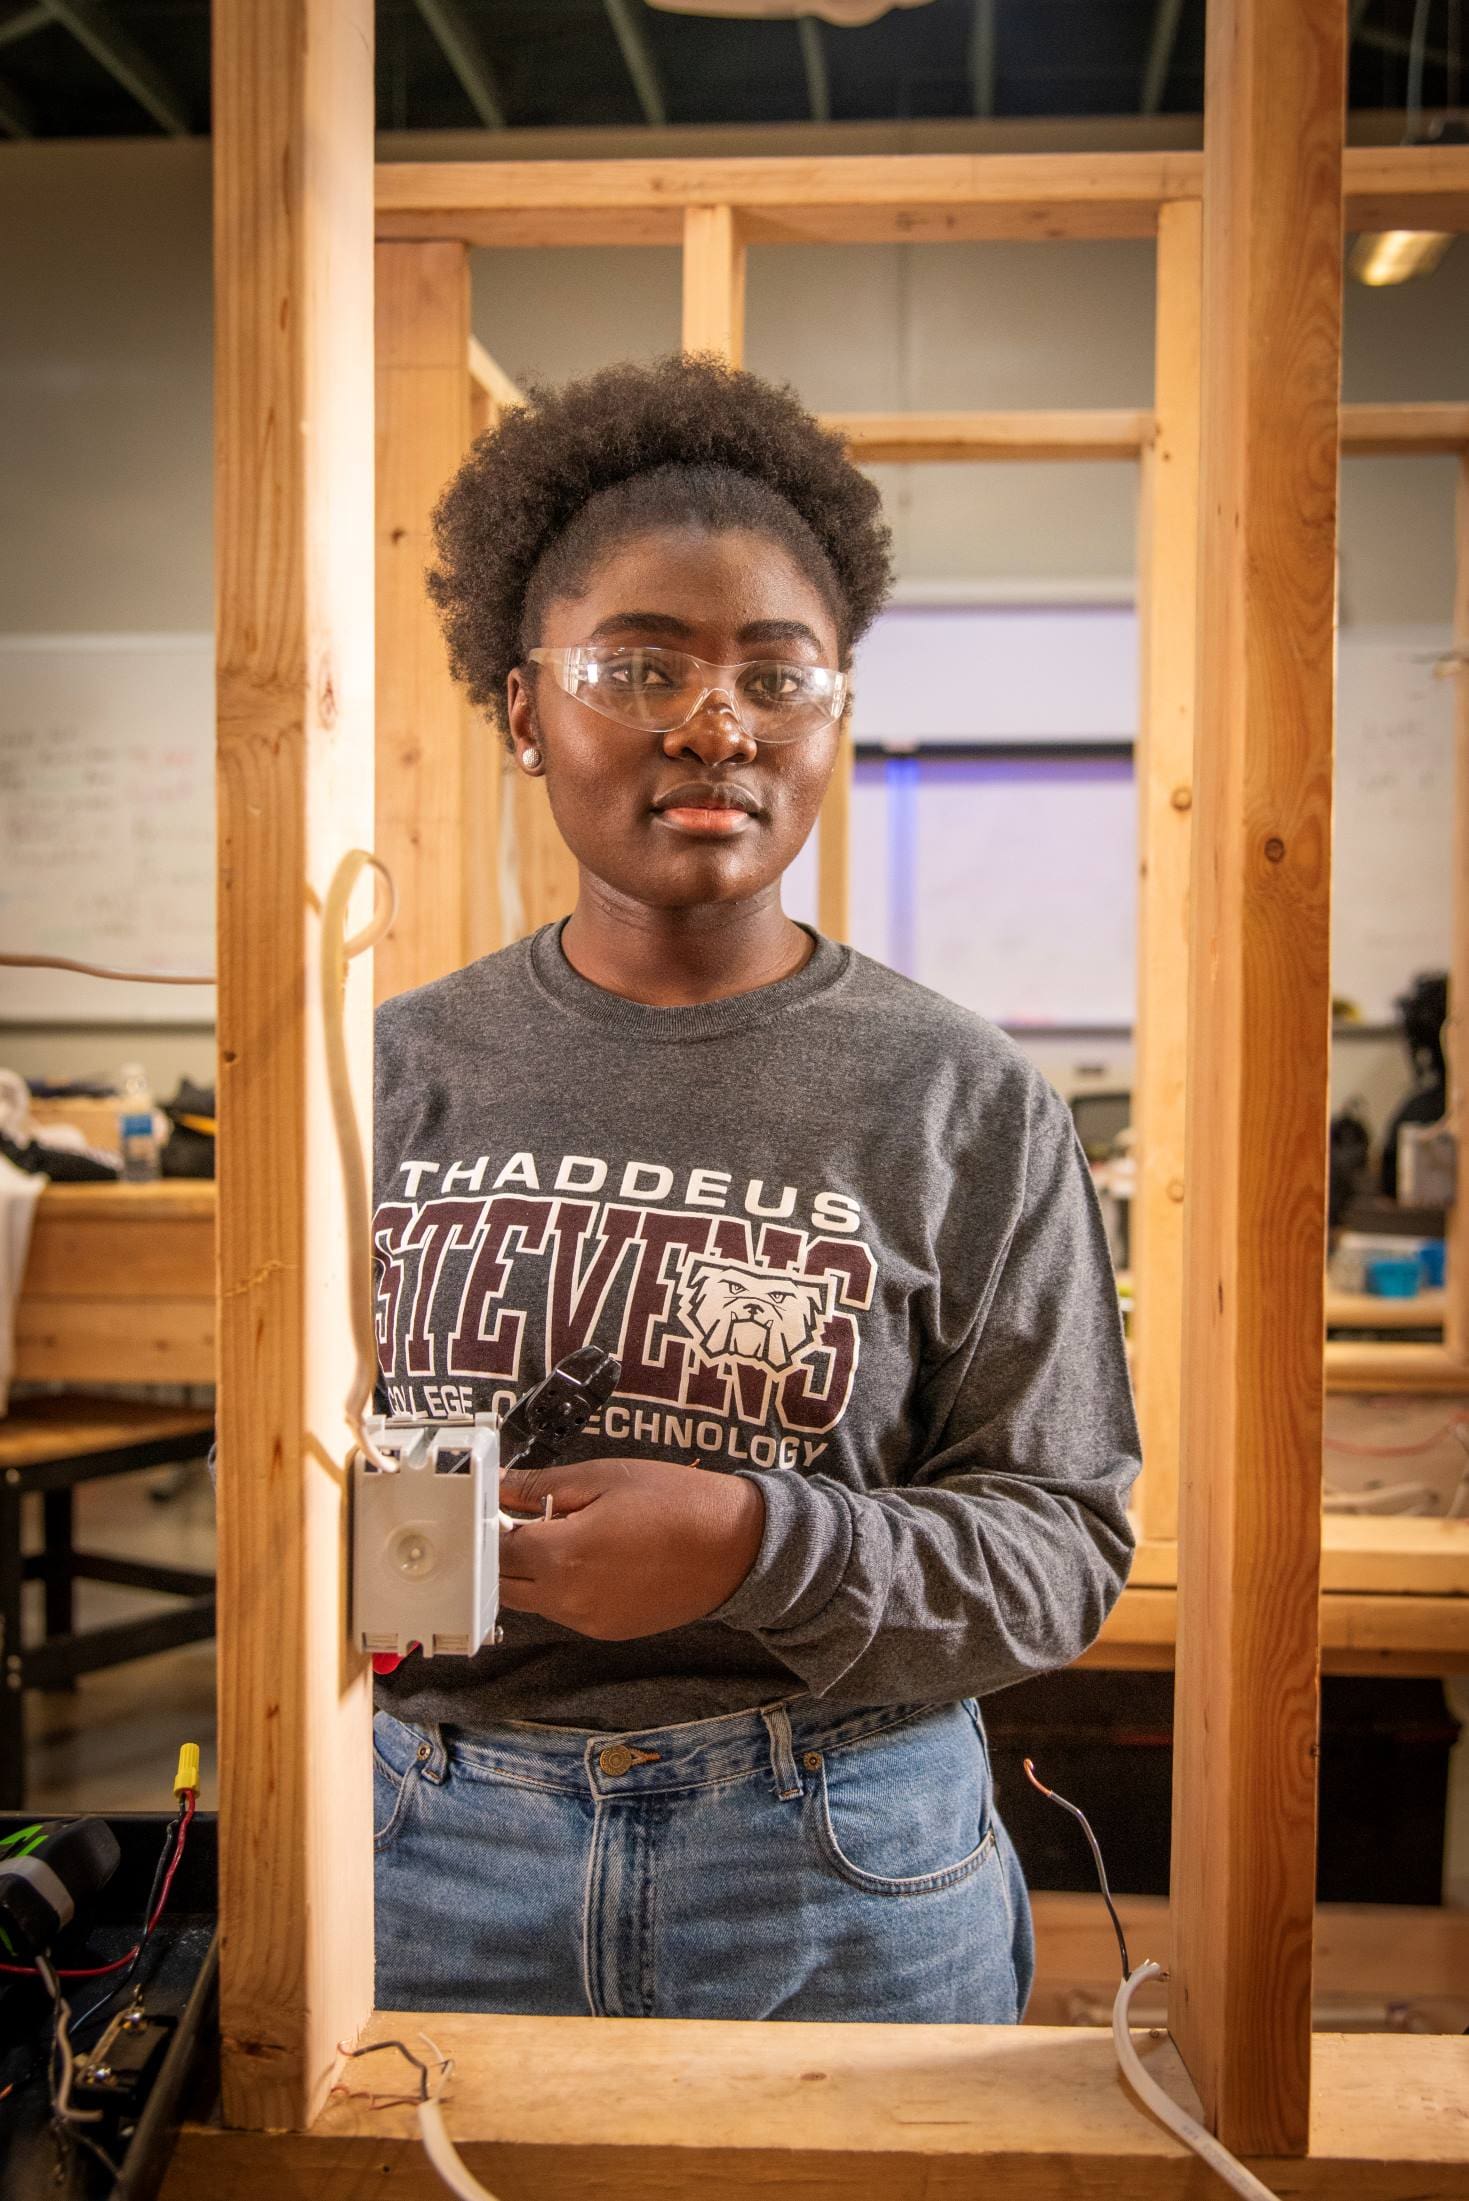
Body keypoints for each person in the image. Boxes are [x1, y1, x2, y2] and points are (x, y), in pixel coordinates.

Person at [371, 354, 1140, 2023]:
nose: (713, 724)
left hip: (837, 1858)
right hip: (425, 1851)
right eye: (635, 664)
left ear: (833, 712)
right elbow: (280, 1463)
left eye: (776, 677)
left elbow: (1061, 1544)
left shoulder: (963, 1100)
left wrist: (750, 1545)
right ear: (522, 708)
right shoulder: (381, 1076)